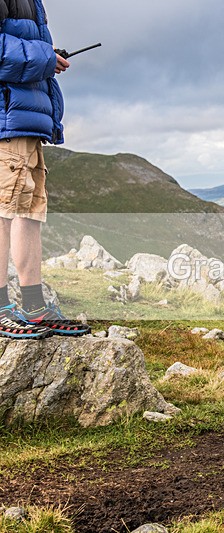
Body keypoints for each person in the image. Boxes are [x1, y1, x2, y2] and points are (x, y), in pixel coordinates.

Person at [0, 0, 90, 338]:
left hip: (24, 120)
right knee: (4, 212)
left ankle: (33, 307)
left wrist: (47, 55)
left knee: (29, 213)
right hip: (6, 121)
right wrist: (44, 57)